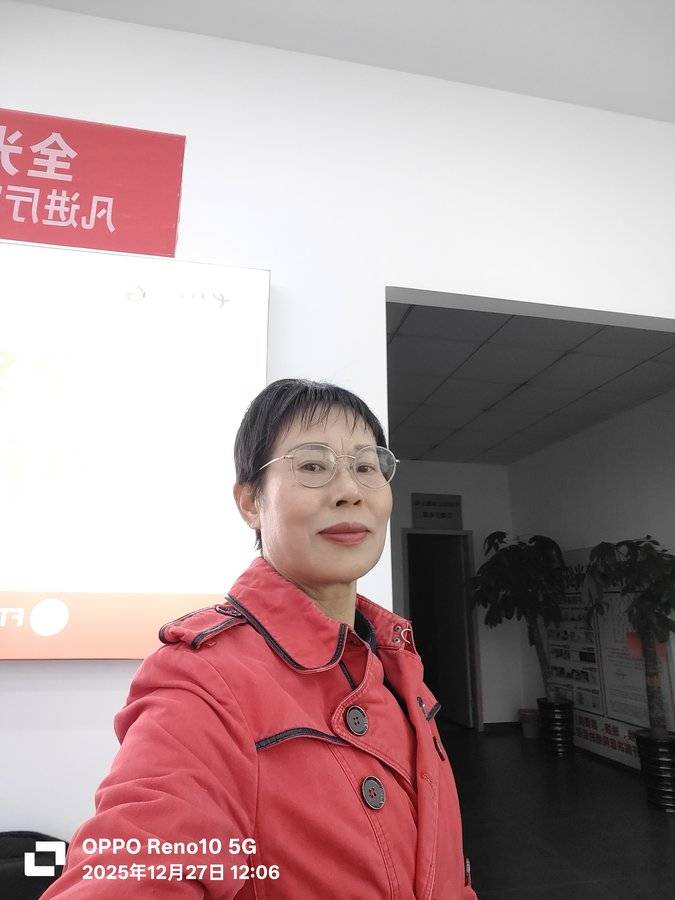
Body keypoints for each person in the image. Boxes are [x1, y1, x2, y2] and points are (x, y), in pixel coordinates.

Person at [41, 378, 477, 899]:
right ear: (250, 501)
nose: (350, 490)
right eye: (312, 466)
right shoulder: (203, 676)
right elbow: (139, 865)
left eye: (366, 466)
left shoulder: (395, 658)